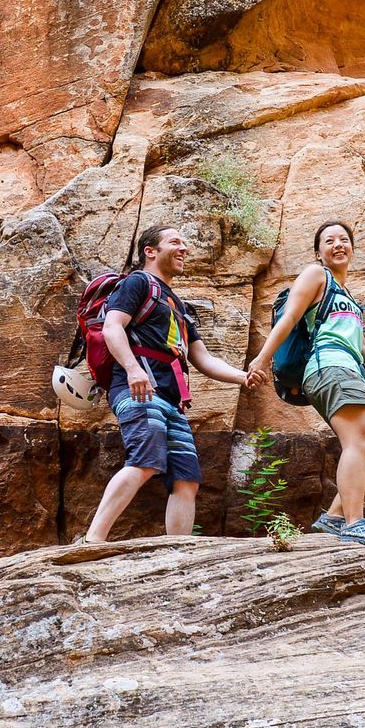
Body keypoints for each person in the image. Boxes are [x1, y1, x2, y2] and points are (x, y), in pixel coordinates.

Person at [249, 220, 365, 545]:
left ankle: (333, 517)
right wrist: (261, 359)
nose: (338, 244)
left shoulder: (346, 297)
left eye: (344, 239)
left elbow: (363, 348)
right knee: (357, 443)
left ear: (353, 249)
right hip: (329, 367)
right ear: (319, 252)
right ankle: (354, 522)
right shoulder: (316, 276)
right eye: (329, 240)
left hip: (351, 370)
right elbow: (289, 318)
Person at [85, 225, 262, 542]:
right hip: (137, 388)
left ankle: (178, 552)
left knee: (186, 479)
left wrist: (242, 376)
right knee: (145, 461)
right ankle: (92, 539)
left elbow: (202, 358)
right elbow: (113, 327)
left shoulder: (179, 305)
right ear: (150, 251)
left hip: (171, 400)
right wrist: (132, 368)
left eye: (184, 243)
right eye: (175, 242)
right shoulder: (138, 283)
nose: (184, 249)